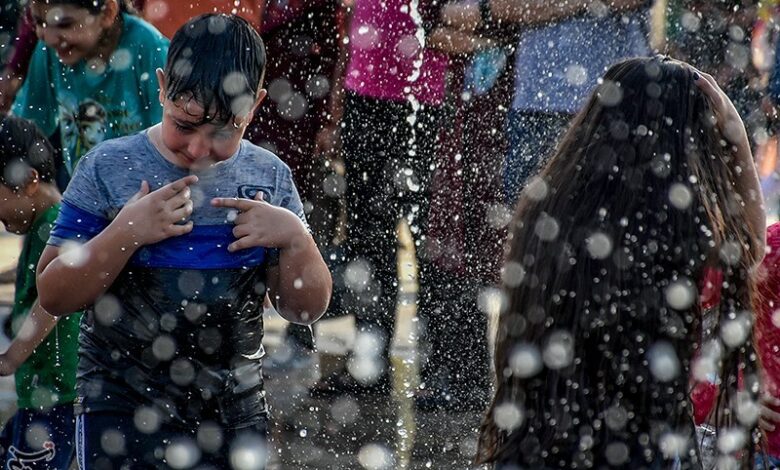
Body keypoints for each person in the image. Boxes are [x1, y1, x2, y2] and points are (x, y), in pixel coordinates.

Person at [35, 14, 331, 467]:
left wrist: (296, 241)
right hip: (120, 406)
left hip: (232, 408)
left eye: (225, 130)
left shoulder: (267, 179)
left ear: (255, 106)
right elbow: (54, 294)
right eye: (185, 123)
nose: (197, 150)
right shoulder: (108, 169)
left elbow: (304, 309)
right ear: (161, 87)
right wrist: (126, 232)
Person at [476, 57, 765, 468]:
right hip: (636, 445)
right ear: (688, 140)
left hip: (541, 437)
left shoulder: (548, 208)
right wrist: (733, 128)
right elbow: (750, 248)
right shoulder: (679, 226)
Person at [309, 0, 448, 397]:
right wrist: (336, 111)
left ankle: (432, 364)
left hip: (420, 102)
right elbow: (351, 26)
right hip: (363, 94)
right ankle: (368, 366)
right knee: (365, 239)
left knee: (422, 240)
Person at [12, 0, 169, 188]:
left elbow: (169, 144)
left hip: (145, 196)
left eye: (65, 24)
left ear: (107, 13)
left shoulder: (148, 47)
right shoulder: (50, 51)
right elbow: (24, 132)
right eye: (39, 22)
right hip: (84, 199)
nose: (50, 38)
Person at [0, 116, 79, 469]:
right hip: (43, 391)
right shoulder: (42, 225)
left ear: (29, 182)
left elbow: (52, 304)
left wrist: (11, 357)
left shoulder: (57, 227)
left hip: (59, 394)